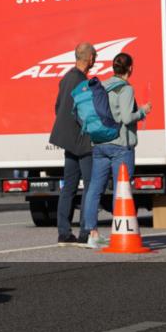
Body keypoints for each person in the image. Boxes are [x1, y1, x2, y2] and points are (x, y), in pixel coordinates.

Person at [78, 52, 151, 249]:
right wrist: (142, 111)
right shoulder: (125, 89)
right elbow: (126, 118)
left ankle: (92, 233)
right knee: (122, 190)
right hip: (120, 146)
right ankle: (120, 231)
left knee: (94, 188)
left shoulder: (102, 86)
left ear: (114, 68)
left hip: (100, 144)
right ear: (130, 68)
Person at [48, 42, 96, 246]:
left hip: (69, 140)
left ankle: (64, 232)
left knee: (69, 186)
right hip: (83, 140)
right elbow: (87, 113)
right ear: (90, 59)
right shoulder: (83, 82)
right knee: (91, 185)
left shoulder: (67, 77)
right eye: (94, 57)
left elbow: (58, 106)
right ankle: (85, 232)